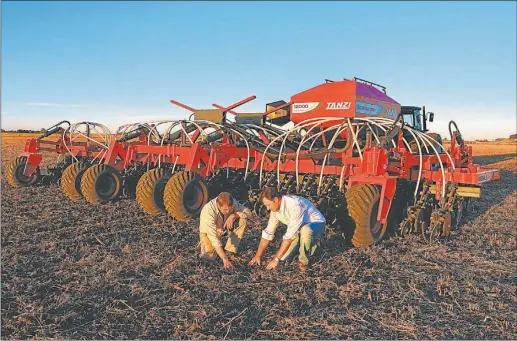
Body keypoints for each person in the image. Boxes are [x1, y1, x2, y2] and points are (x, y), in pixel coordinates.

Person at [248, 187, 326, 272]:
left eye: (268, 205)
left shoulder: (295, 205)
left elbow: (288, 238)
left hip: (316, 225)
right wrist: (258, 256)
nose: (267, 208)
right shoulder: (275, 211)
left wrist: (276, 259)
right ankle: (305, 245)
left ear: (276, 199)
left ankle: (303, 262)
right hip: (297, 230)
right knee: (284, 259)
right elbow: (268, 233)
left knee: (306, 230)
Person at [199, 192, 252, 269]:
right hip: (209, 232)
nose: (227, 211)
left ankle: (230, 249)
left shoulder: (233, 202)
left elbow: (248, 213)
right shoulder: (208, 211)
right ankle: (208, 247)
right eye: (225, 209)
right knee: (209, 258)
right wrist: (224, 258)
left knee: (242, 218)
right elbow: (213, 237)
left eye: (229, 209)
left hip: (223, 227)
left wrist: (234, 215)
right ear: (218, 204)